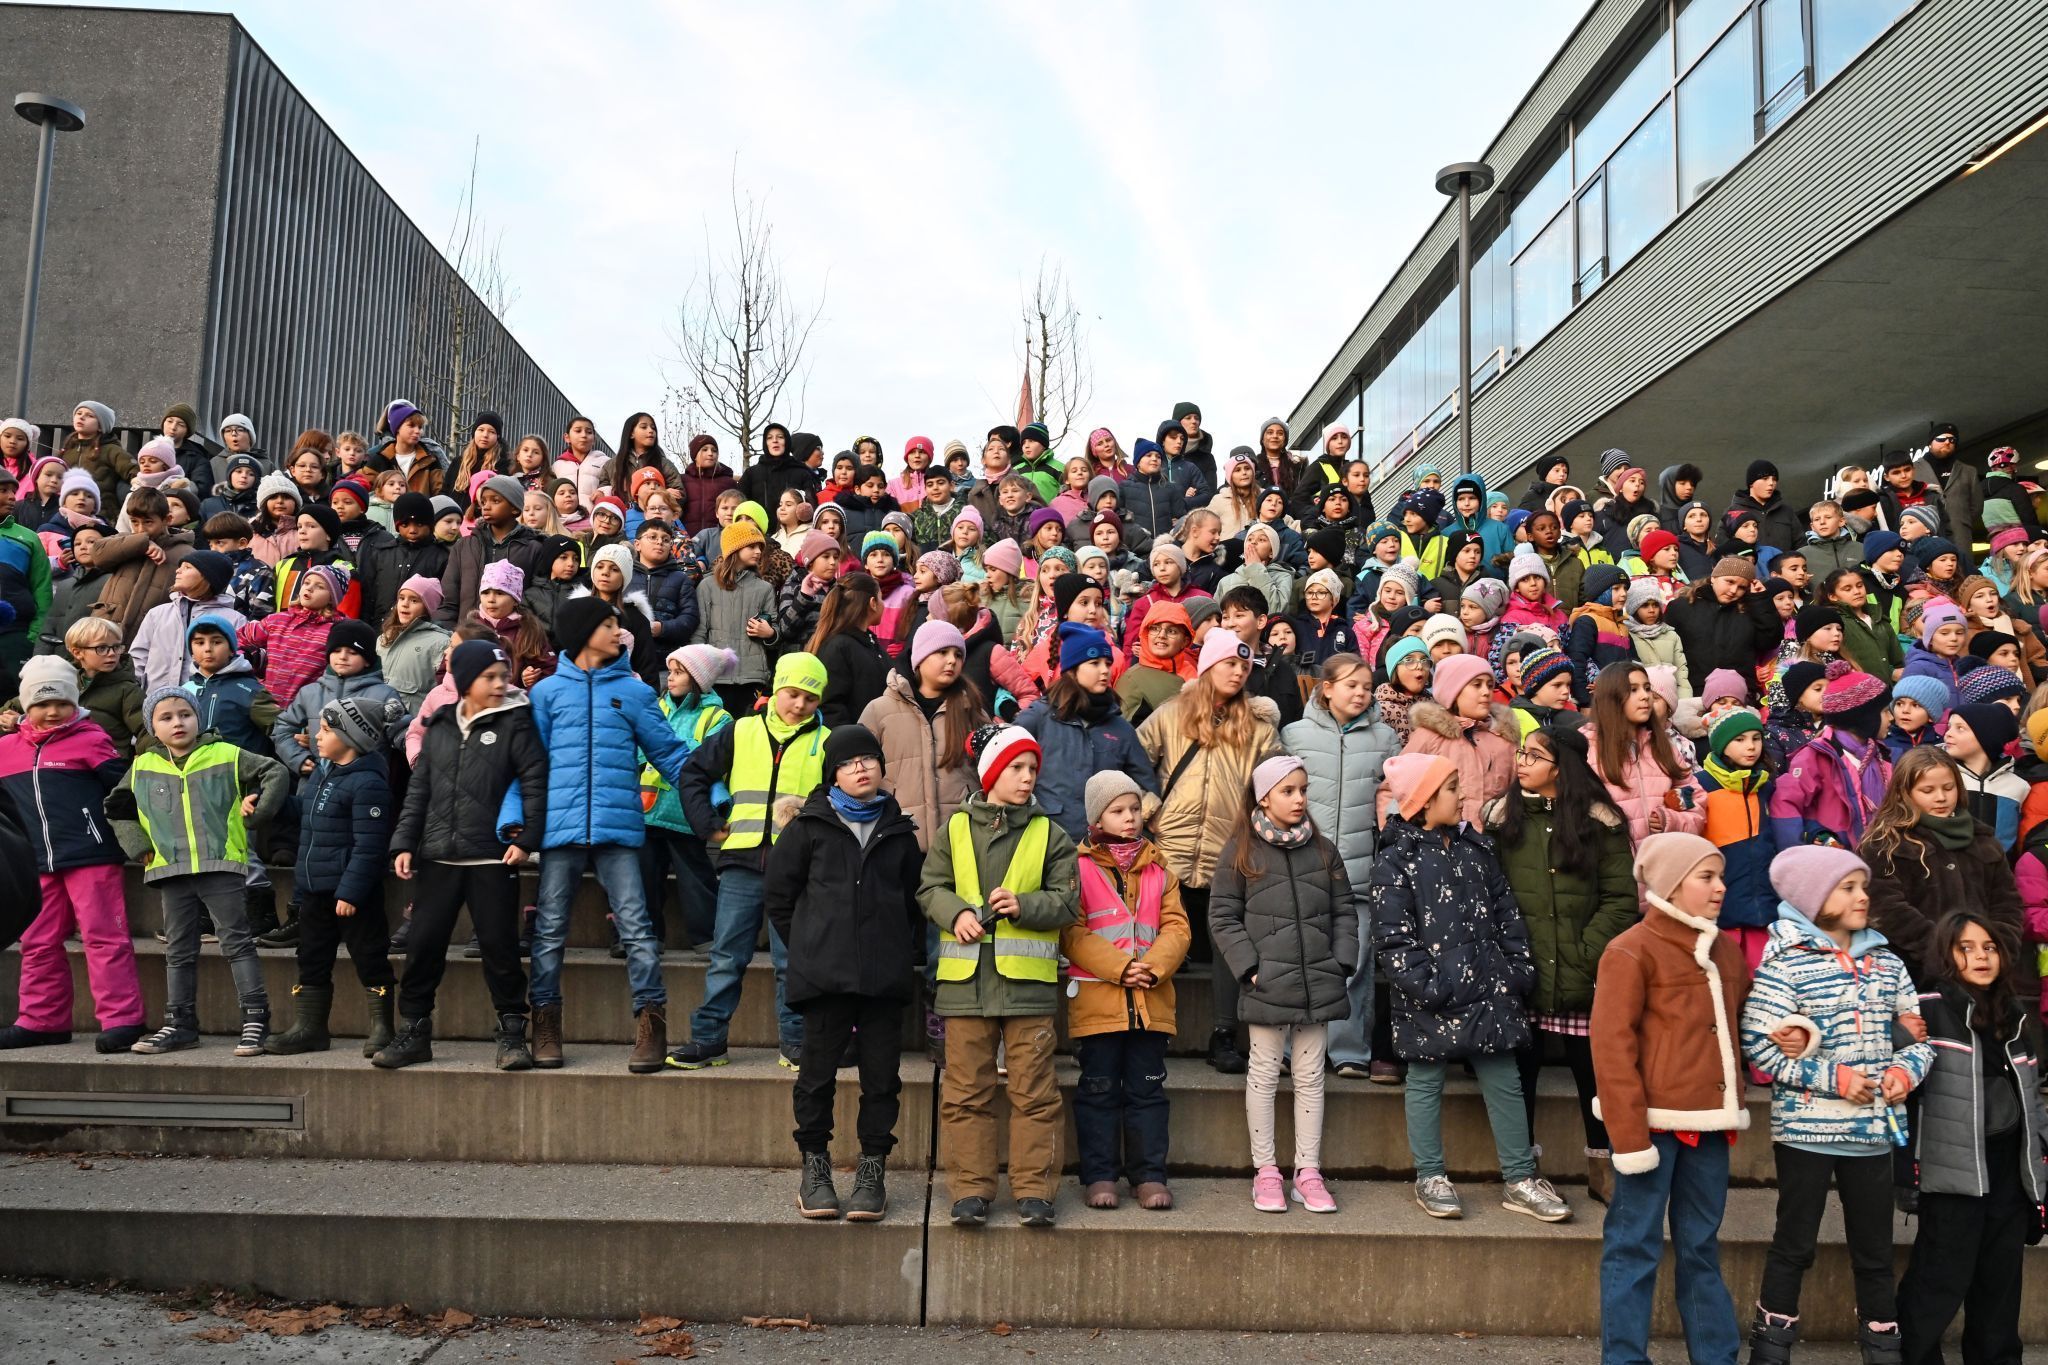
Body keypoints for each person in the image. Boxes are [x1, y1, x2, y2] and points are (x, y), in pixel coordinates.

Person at [1739, 845, 1932, 1364]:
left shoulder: (1887, 962)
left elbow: (1919, 1038)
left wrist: (1900, 1072)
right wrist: (1836, 1078)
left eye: (1861, 886)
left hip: (1872, 1133)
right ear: (1815, 897)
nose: (1862, 896)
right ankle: (1770, 1349)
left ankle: (1883, 1350)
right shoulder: (1785, 966)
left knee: (1874, 1254)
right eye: (1848, 887)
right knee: (1794, 1245)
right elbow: (1759, 1046)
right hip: (1807, 1132)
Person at [1371, 752, 1567, 1223]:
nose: (1463, 797)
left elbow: (1507, 913)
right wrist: (1431, 986)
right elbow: (1393, 937)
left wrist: (1516, 969)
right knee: (1425, 1079)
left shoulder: (1476, 849)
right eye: (1453, 789)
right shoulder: (1397, 858)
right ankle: (1431, 1175)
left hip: (1491, 986)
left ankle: (1520, 1178)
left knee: (1504, 1077)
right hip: (1432, 995)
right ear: (1423, 800)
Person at [1592, 833, 1753, 1365]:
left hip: (1708, 1128)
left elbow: (1743, 1025)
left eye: (1720, 877)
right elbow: (1612, 1049)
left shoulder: (1724, 950)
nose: (1719, 888)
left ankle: (1715, 1357)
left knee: (1701, 1247)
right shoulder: (1631, 950)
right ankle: (1623, 1359)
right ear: (1669, 885)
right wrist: (1629, 1138)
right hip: (1652, 1130)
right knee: (1633, 1246)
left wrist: (1787, 1031)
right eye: (1706, 878)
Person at [515, 597, 692, 1073]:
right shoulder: (548, 694)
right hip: (559, 830)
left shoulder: (635, 693)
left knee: (637, 929)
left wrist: (710, 800)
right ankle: (546, 1024)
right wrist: (513, 822)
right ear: (582, 632)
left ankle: (652, 1027)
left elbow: (671, 755)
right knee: (549, 931)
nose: (619, 632)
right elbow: (527, 766)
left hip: (618, 830)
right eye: (610, 624)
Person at [919, 722, 1080, 1229]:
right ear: (991, 773)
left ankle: (1034, 1192)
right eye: (1016, 767)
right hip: (965, 988)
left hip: (1027, 990)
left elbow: (1068, 901)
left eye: (1033, 768)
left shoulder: (1050, 834)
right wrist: (955, 913)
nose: (1028, 777)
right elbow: (930, 888)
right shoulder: (955, 830)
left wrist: (1025, 905)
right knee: (966, 1092)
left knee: (1034, 1093)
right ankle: (971, 1191)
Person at [765, 723, 923, 1223]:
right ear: (833, 772)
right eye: (850, 762)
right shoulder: (809, 827)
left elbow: (914, 904)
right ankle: (815, 1168)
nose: (861, 767)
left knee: (882, 1080)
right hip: (825, 979)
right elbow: (780, 898)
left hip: (883, 979)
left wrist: (899, 949)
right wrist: (810, 948)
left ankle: (872, 1171)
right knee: (816, 1078)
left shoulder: (899, 832)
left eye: (869, 759)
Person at [372, 641, 549, 1069]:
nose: (499, 683)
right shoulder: (441, 723)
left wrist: (527, 839)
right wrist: (403, 842)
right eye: (490, 676)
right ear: (466, 679)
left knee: (499, 947)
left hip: (491, 856)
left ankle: (511, 1034)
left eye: (503, 675)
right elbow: (420, 790)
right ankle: (414, 1031)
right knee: (423, 945)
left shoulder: (516, 722)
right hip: (437, 857)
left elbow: (536, 783)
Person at [1484, 725, 1636, 1205]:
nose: (1522, 762)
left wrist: (1585, 954)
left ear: (1560, 768)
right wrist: (1512, 955)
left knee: (1592, 1072)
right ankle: (1522, 1171)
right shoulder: (1501, 819)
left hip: (1582, 969)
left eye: (1533, 755)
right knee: (1521, 1072)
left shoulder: (1600, 822)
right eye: (1522, 754)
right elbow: (1488, 895)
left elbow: (1619, 900)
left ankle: (1603, 1169)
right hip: (1521, 970)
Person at [1895, 912, 2048, 1365]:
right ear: (1946, 953)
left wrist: (2038, 1167)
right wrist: (1907, 1168)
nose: (1980, 956)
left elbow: (2032, 1102)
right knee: (1938, 1282)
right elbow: (1902, 1083)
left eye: (1989, 947)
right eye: (1966, 947)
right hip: (1953, 1172)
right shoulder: (1929, 1007)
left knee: (2000, 1286)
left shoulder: (2014, 1015)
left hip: (2008, 1170)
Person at [671, 651, 830, 1071]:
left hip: (797, 872)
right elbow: (693, 773)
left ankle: (794, 1042)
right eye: (793, 694)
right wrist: (707, 824)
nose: (799, 706)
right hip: (742, 862)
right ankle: (710, 1040)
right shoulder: (742, 731)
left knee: (791, 960)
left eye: (811, 700)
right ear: (777, 689)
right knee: (727, 955)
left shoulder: (826, 742)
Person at [110, 689, 287, 1055]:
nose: (178, 722)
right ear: (151, 728)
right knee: (179, 949)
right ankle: (180, 1024)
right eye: (167, 717)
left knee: (236, 943)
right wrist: (139, 847)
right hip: (170, 869)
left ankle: (256, 1020)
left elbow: (274, 771)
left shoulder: (226, 753)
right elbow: (117, 808)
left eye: (185, 714)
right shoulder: (143, 766)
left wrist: (261, 811)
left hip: (220, 864)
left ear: (198, 718)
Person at [1138, 630, 1283, 1075]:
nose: (1239, 672)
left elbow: (1273, 784)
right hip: (1171, 848)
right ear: (1207, 669)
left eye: (1244, 666)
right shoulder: (1169, 714)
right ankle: (1146, 1029)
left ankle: (1223, 1033)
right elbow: (1134, 760)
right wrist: (1147, 804)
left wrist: (1255, 833)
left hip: (1228, 850)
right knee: (1159, 940)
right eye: (1230, 664)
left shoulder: (1259, 729)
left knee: (1229, 942)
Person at [1059, 770, 1189, 1212]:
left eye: (1134, 808)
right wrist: (1121, 968)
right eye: (1118, 811)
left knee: (1147, 1092)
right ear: (1098, 817)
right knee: (1097, 1090)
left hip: (1150, 1003)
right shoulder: (1078, 868)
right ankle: (1099, 1175)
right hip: (1099, 1002)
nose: (1130, 818)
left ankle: (1149, 1174)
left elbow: (1177, 927)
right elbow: (1072, 932)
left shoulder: (1158, 868)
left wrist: (1150, 968)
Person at [0, 656, 145, 1051]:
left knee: (104, 937)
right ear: (24, 706)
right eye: (41, 704)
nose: (52, 712)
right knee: (37, 941)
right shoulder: (5, 749)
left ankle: (122, 1018)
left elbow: (122, 792)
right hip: (34, 863)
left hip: (90, 854)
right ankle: (42, 1020)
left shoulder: (91, 738)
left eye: (61, 703)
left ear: (75, 702)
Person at [1282, 654, 1399, 1083]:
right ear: (1326, 687)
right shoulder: (1294, 735)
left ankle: (1349, 1049)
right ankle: (1297, 1050)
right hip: (1302, 867)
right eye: (1351, 684)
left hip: (1361, 871)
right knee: (1301, 961)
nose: (1361, 693)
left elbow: (1394, 800)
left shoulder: (1386, 739)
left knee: (1356, 963)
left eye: (1366, 686)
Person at [282, 697, 401, 1062]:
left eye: (325, 730)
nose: (315, 736)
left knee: (369, 955)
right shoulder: (323, 772)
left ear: (352, 737)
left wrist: (350, 891)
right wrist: (270, 802)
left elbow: (370, 846)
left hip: (353, 894)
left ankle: (382, 1028)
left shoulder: (369, 783)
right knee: (312, 957)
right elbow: (308, 821)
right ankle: (310, 1027)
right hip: (316, 889)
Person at [1860, 747, 2031, 996]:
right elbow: (1887, 909)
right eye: (1927, 791)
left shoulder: (1982, 838)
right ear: (1904, 793)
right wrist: (1948, 951)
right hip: (1917, 979)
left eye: (1948, 788)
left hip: (1985, 979)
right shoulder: (1884, 843)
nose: (1940, 798)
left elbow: (2007, 904)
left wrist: (1995, 952)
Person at [637, 645, 735, 953]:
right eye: (670, 671)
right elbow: (641, 747)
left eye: (679, 672)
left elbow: (710, 756)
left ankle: (707, 936)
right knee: (646, 877)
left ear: (698, 679)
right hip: (649, 808)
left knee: (696, 878)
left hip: (686, 811)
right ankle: (650, 935)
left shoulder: (717, 716)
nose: (670, 679)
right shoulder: (658, 707)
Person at [1387, 654, 1517, 828]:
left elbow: (1518, 795)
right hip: (1441, 846)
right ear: (1453, 692)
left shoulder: (1504, 741)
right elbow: (1393, 789)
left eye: (1489, 685)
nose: (1486, 692)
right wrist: (1397, 835)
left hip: (1493, 847)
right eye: (1476, 685)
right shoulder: (1429, 736)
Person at [694, 516, 780, 715]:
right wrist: (697, 674)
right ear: (734, 549)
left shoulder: (764, 588)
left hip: (752, 677)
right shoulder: (707, 586)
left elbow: (774, 630)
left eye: (760, 547)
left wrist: (769, 634)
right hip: (716, 676)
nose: (759, 552)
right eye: (751, 546)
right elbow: (699, 632)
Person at [808, 571, 891, 728]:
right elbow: (830, 708)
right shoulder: (838, 646)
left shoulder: (869, 643)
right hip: (854, 745)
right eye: (881, 598)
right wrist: (852, 747)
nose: (883, 604)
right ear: (873, 603)